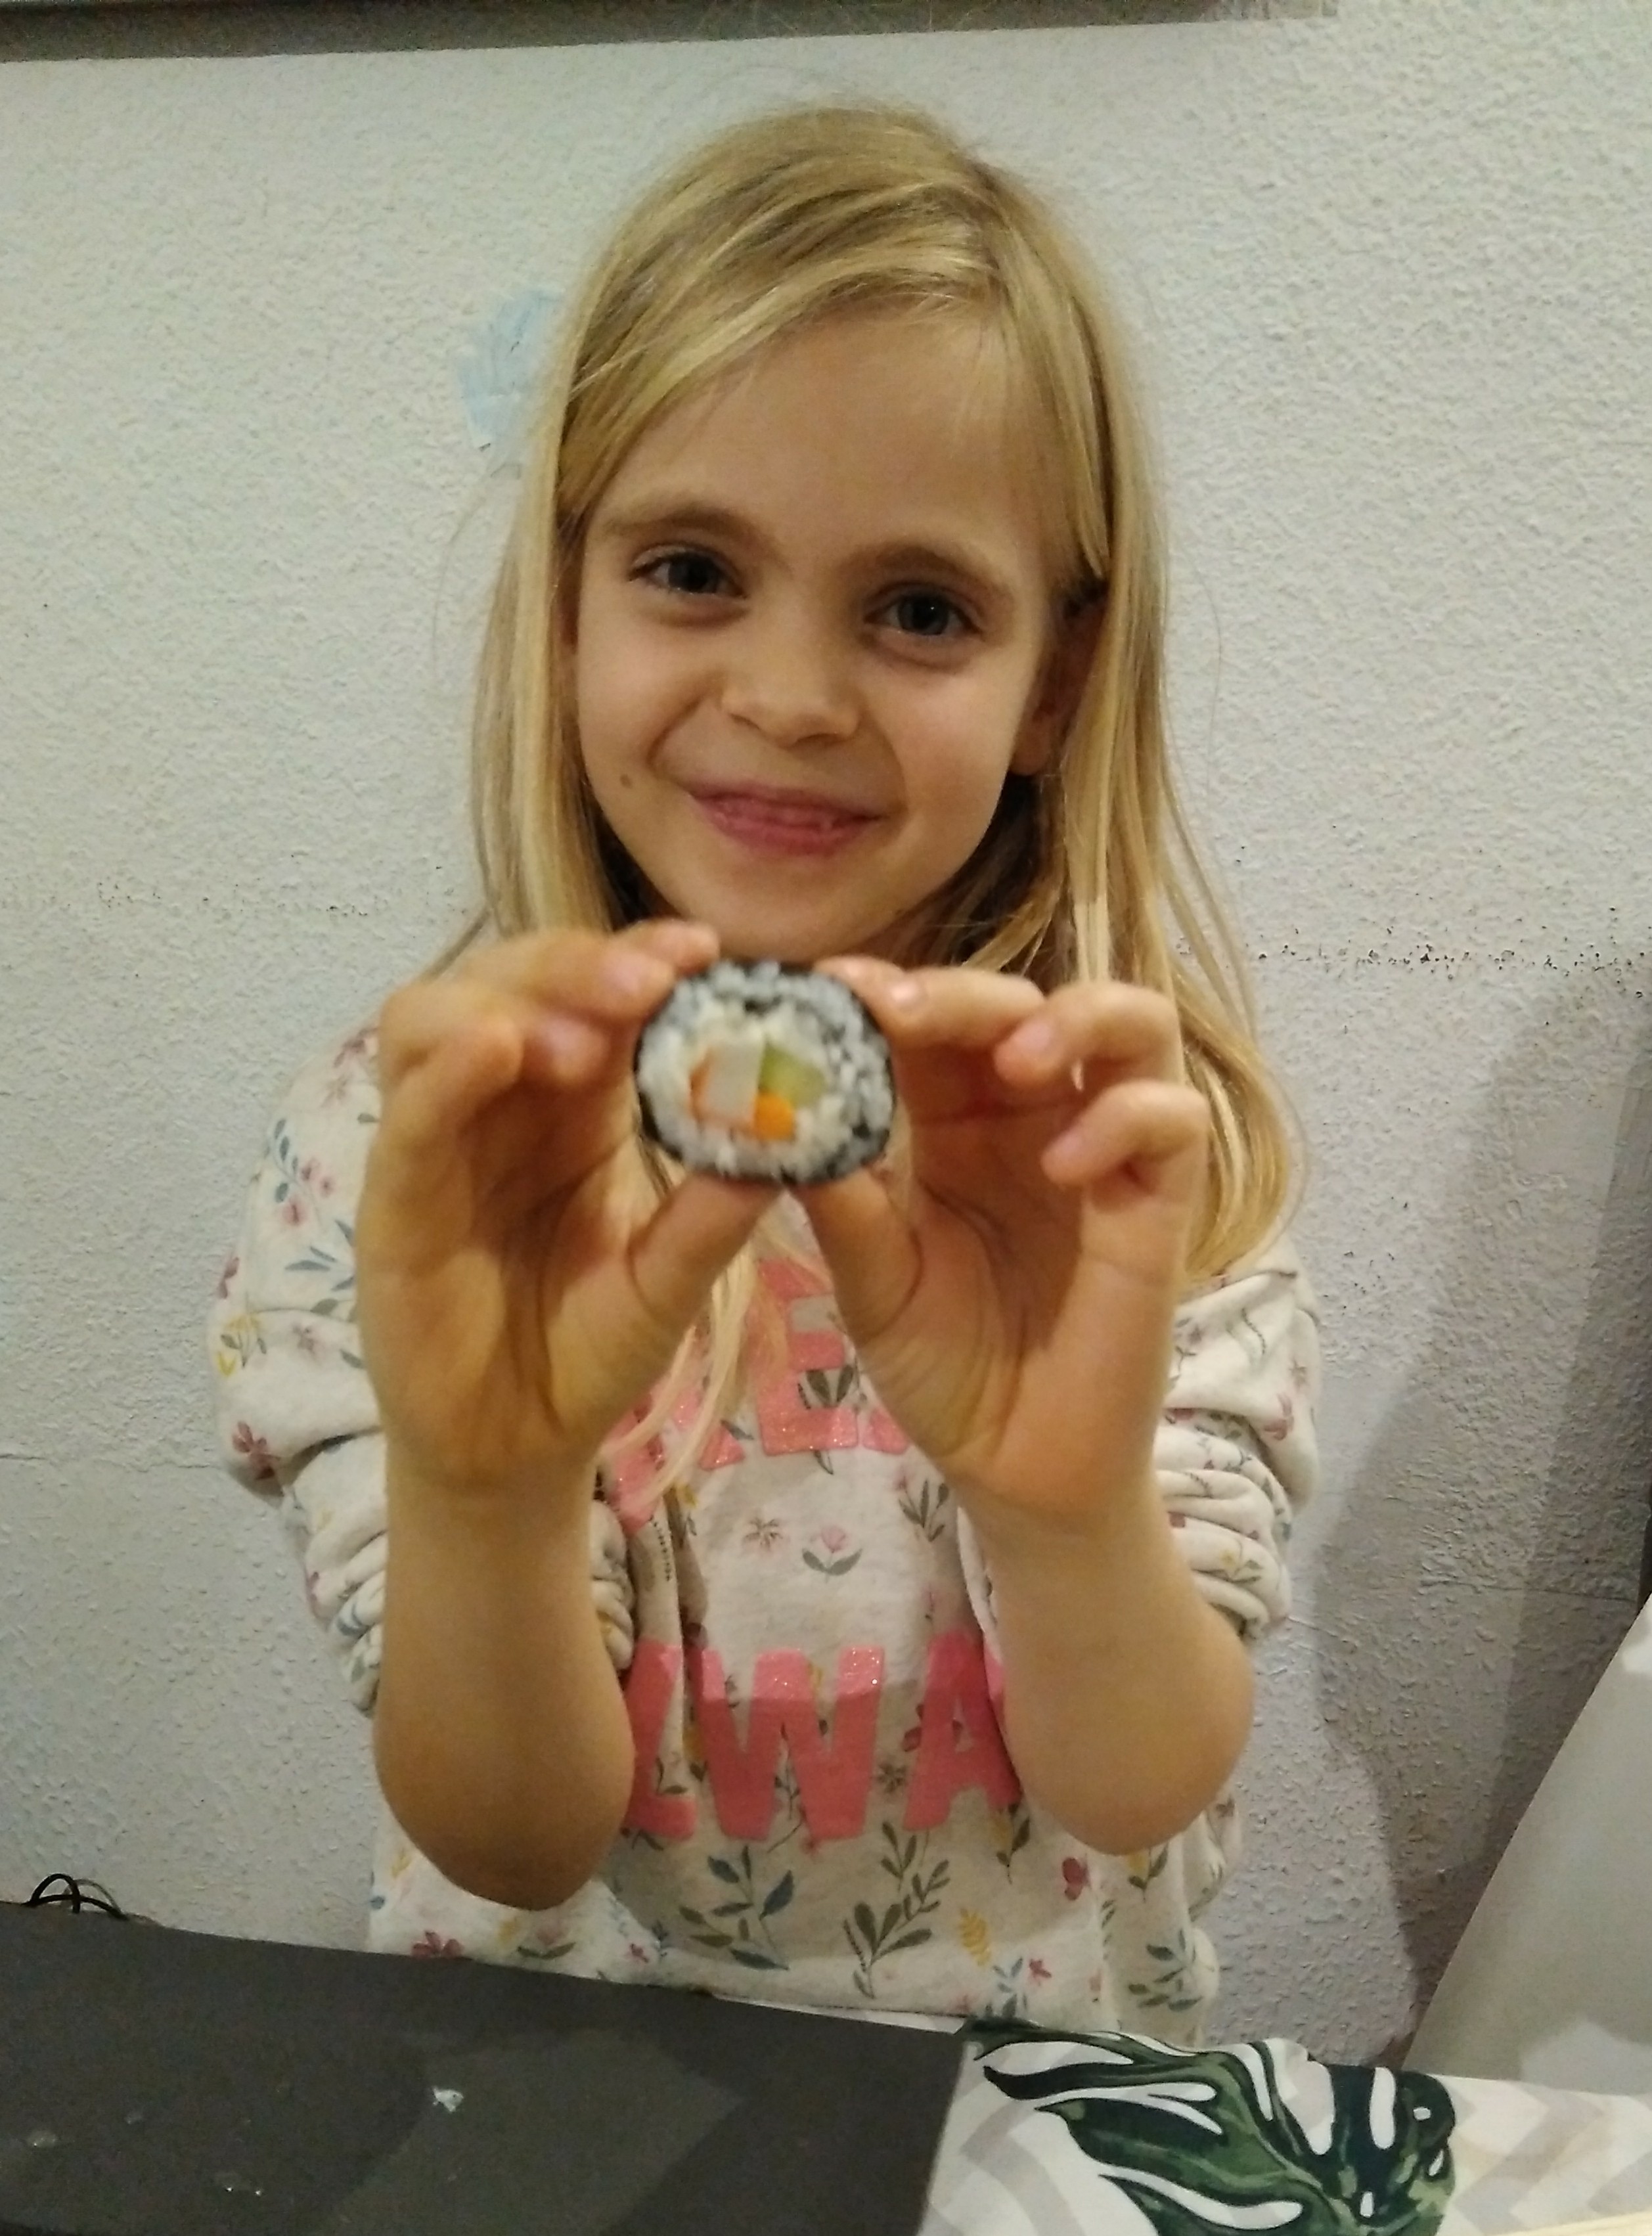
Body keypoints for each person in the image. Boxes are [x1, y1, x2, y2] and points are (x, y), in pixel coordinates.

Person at [211, 103, 1317, 2039]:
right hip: (568, 2072)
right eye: (693, 568)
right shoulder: (412, 1148)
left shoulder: (1124, 1151)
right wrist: (489, 1492)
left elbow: (1139, 1786)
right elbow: (508, 1836)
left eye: (919, 609)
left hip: (1016, 2094)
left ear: (1054, 680)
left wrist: (1064, 1514)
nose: (793, 697)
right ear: (567, 599)